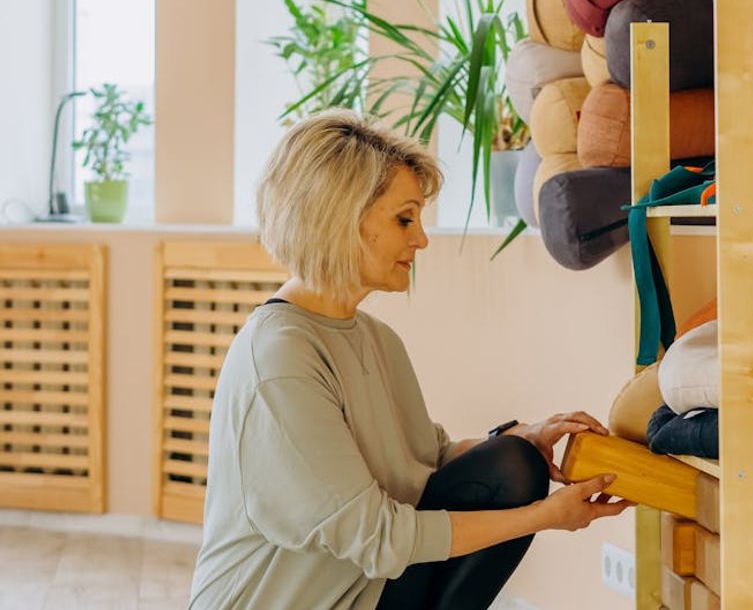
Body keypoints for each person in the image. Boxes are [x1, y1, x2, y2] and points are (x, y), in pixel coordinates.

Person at [188, 111, 631, 610]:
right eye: (404, 219)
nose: (421, 239)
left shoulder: (376, 339)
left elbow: (428, 459)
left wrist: (528, 435)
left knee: (513, 463)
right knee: (510, 473)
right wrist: (546, 517)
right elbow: (379, 538)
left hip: (365, 589)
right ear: (340, 219)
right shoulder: (280, 360)